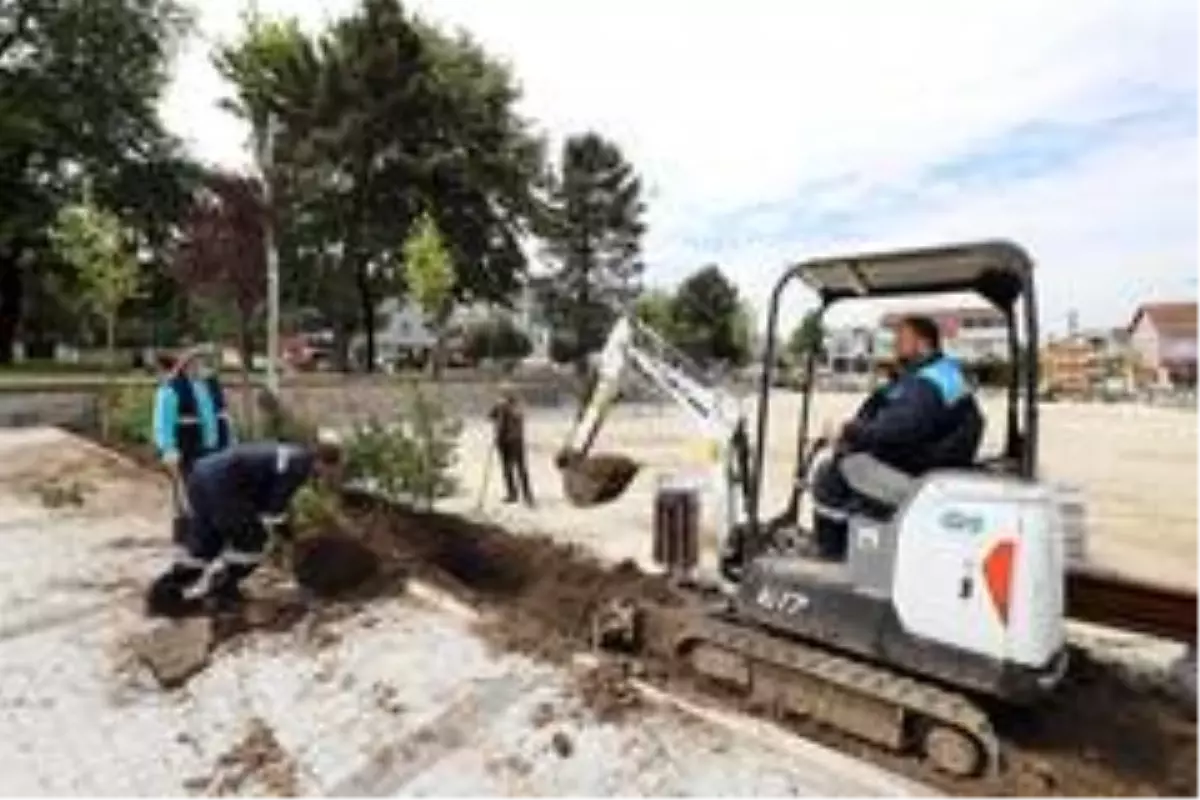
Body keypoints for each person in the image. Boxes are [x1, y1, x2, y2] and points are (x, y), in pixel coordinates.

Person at [811, 315, 983, 560]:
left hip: (921, 476)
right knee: (848, 460)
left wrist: (848, 432)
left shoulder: (927, 384)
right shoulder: (943, 373)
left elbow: (900, 429)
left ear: (923, 343)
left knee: (831, 474)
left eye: (902, 338)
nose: (895, 344)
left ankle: (833, 557)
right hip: (935, 464)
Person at [145, 435, 344, 617]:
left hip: (201, 476)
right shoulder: (300, 466)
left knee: (207, 543)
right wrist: (289, 538)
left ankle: (163, 595)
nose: (329, 476)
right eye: (332, 471)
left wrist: (282, 526)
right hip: (225, 487)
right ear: (323, 463)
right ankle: (223, 590)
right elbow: (274, 511)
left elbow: (266, 497)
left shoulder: (290, 452)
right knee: (253, 541)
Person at [152, 342, 235, 480]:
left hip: (216, 449)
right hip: (189, 449)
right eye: (194, 361)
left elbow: (223, 416)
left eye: (202, 362)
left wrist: (231, 440)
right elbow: (163, 421)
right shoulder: (172, 389)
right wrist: (167, 449)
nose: (200, 365)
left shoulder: (210, 386)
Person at [488, 385, 534, 506]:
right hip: (518, 440)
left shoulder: (502, 406)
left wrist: (498, 436)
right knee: (521, 468)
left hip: (506, 441)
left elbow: (493, 419)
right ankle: (527, 495)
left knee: (508, 468)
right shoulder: (519, 407)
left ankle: (513, 493)